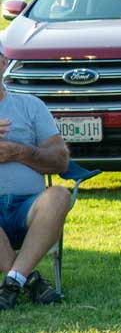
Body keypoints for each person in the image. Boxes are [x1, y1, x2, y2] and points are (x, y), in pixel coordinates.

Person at [0, 41, 71, 310]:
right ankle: (24, 280)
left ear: (4, 63)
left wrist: (20, 152)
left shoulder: (30, 106)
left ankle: (14, 280)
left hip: (28, 209)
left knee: (59, 195)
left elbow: (60, 160)